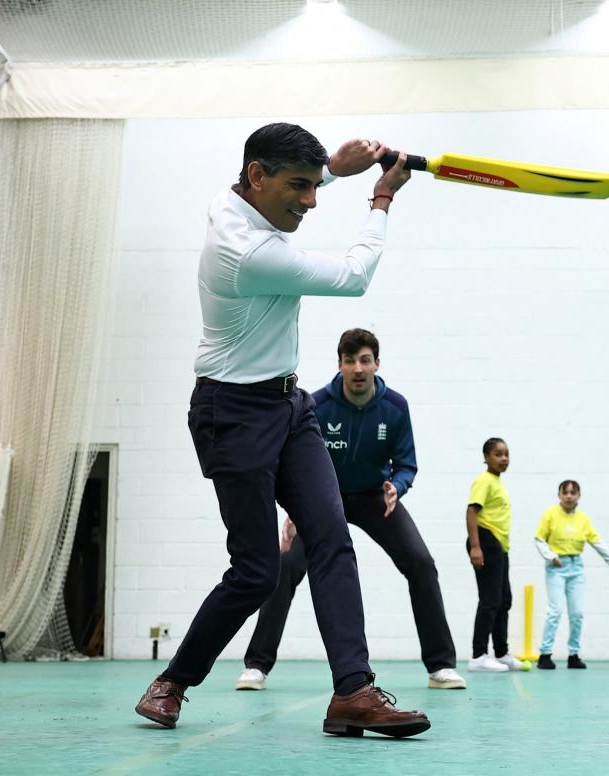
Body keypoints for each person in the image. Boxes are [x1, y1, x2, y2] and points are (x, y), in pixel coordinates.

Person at [134, 123, 431, 737]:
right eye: (299, 186)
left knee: (330, 538)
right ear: (258, 177)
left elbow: (297, 180)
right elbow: (354, 277)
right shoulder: (249, 253)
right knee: (256, 572)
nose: (311, 200)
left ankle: (353, 691)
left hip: (290, 408)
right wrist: (380, 198)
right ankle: (173, 681)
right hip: (230, 414)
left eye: (313, 185)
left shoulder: (231, 196)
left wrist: (331, 169)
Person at [235, 328, 466, 693]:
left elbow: (406, 463)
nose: (358, 368)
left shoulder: (396, 407)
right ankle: (257, 665)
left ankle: (441, 665)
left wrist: (397, 487)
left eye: (365, 360)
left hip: (377, 498)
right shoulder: (318, 405)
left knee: (421, 564)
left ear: (377, 363)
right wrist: (294, 508)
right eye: (350, 361)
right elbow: (292, 461)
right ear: (339, 365)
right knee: (287, 565)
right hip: (325, 500)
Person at [532, 480, 609, 670]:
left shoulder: (583, 519)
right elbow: (539, 539)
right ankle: (545, 655)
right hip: (556, 567)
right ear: (559, 495)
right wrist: (550, 556)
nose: (569, 496)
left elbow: (595, 541)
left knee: (577, 613)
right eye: (565, 493)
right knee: (555, 611)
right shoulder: (550, 514)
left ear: (578, 496)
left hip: (576, 568)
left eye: (573, 493)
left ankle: (573, 655)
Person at [464, 437, 522, 672]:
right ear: (486, 457)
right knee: (489, 600)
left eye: (506, 454)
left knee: (504, 600)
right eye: (498, 454)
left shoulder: (497, 483)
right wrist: (476, 547)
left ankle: (501, 652)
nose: (504, 458)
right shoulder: (484, 481)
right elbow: (471, 512)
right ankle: (478, 656)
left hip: (499, 545)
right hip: (486, 541)